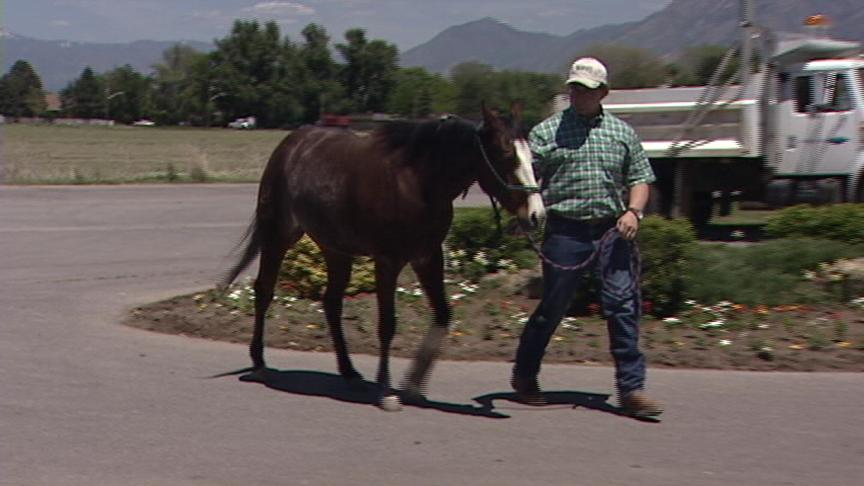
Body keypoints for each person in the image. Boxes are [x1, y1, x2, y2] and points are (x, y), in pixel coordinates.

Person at [511, 57, 663, 418]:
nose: (578, 95)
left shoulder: (622, 133)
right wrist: (523, 213)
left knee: (623, 306)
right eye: (574, 88)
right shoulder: (546, 133)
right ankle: (525, 375)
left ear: (603, 93)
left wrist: (633, 211)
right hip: (566, 231)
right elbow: (526, 178)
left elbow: (641, 178)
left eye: (587, 90)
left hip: (612, 232)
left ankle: (631, 390)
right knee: (553, 308)